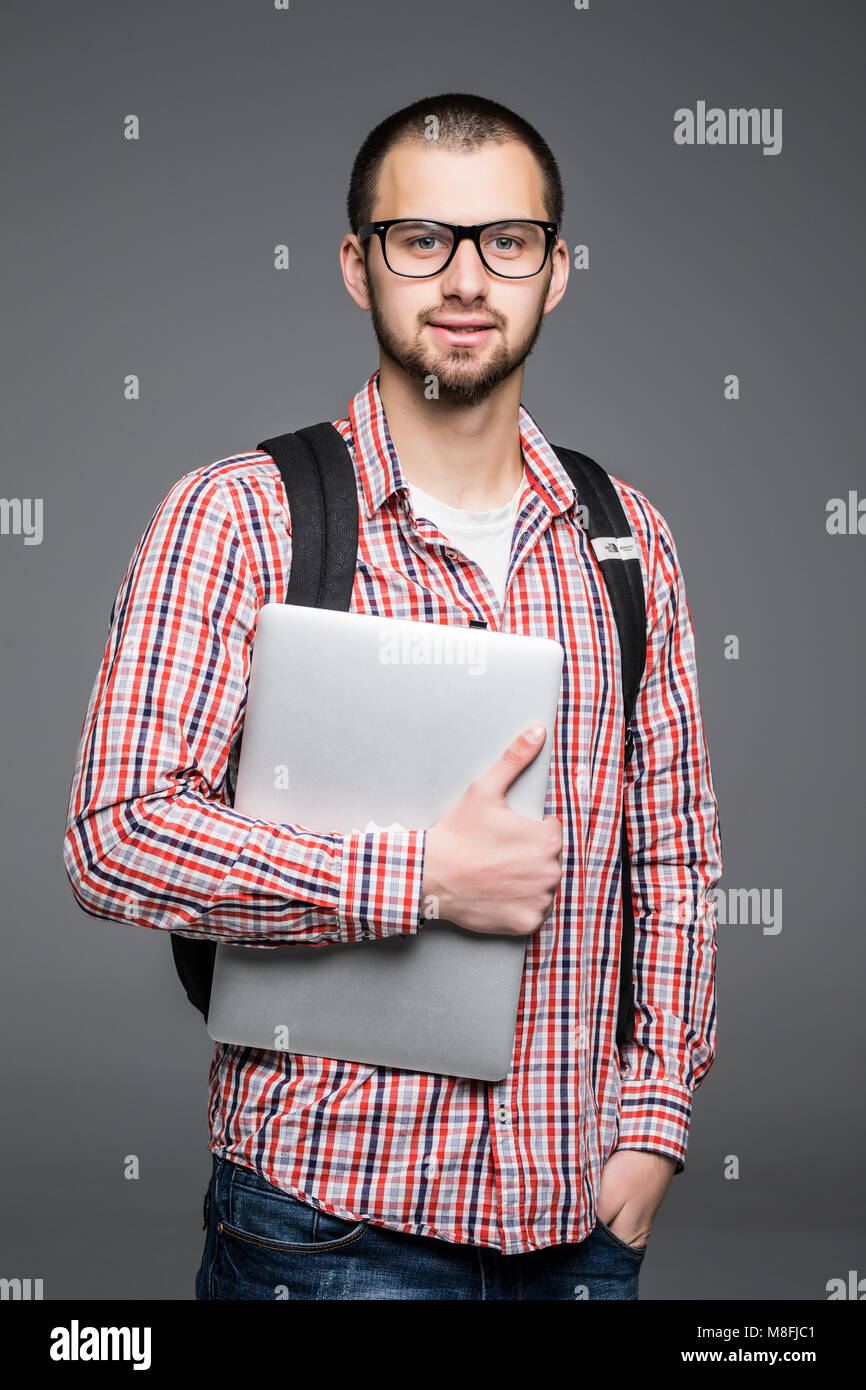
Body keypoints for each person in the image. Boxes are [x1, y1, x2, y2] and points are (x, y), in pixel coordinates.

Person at [63, 91, 723, 1301]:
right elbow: (115, 840)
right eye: (420, 240)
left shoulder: (628, 540)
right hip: (323, 1225)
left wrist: (655, 1120)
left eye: (504, 242)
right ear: (356, 264)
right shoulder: (235, 515)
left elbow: (671, 863)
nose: (463, 278)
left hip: (577, 1220)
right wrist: (418, 876)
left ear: (554, 271)